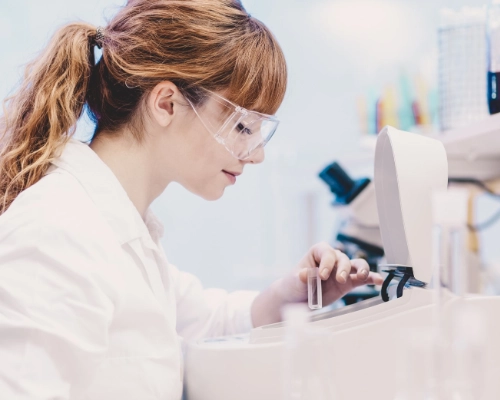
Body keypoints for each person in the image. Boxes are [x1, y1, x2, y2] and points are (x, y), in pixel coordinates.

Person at [0, 0, 383, 398]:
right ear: (166, 104)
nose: (255, 154)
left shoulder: (126, 228)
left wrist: (289, 295)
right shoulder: (58, 234)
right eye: (241, 125)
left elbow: (204, 322)